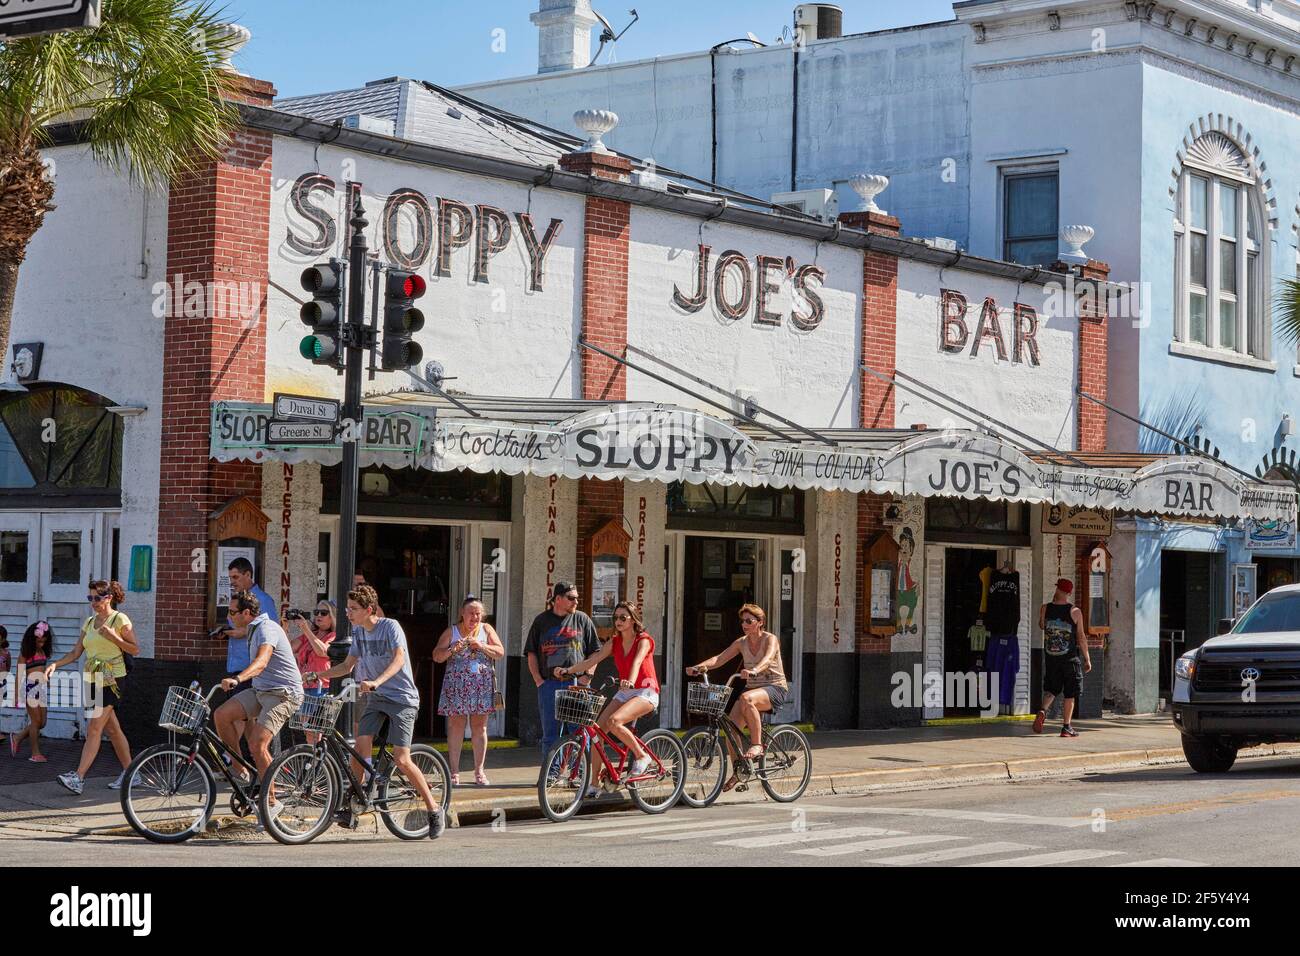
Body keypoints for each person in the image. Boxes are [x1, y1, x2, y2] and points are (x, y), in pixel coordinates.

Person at [305, 585, 442, 839]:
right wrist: (319, 674)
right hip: (376, 699)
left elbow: (399, 659)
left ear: (369, 609)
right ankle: (356, 802)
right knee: (360, 747)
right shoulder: (358, 632)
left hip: (402, 699)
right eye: (347, 609)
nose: (348, 613)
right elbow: (347, 665)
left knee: (402, 759)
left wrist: (377, 681)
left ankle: (434, 809)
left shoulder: (390, 627)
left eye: (353, 609)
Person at [558, 601, 659, 797]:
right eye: (616, 618)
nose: (619, 621)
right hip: (626, 691)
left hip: (645, 691)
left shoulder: (643, 640)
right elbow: (591, 661)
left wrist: (629, 681)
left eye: (623, 617)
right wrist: (568, 670)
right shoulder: (615, 642)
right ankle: (594, 783)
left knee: (614, 722)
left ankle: (641, 756)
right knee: (597, 732)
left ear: (633, 619)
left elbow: (637, 662)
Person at [686, 602, 788, 792]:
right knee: (731, 728)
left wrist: (755, 669)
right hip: (752, 690)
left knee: (746, 699)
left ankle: (757, 745)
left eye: (749, 621)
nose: (745, 625)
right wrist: (699, 667)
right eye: (743, 621)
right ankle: (740, 771)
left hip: (774, 688)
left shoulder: (770, 639)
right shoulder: (742, 642)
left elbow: (767, 658)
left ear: (760, 622)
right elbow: (720, 658)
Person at [48, 581, 138, 794]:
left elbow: (135, 649)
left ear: (108, 598)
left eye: (97, 598)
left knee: (94, 728)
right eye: (90, 598)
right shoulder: (89, 623)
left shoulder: (119, 619)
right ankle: (132, 773)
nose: (93, 603)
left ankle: (78, 777)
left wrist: (114, 637)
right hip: (93, 679)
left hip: (112, 679)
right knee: (112, 730)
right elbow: (75, 653)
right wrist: (54, 665)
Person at [213, 590, 304, 786]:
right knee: (222, 715)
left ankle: (270, 803)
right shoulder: (252, 629)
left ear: (246, 613)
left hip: (283, 694)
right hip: (261, 690)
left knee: (257, 744)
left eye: (232, 612)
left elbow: (262, 661)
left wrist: (238, 678)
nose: (229, 617)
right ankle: (239, 770)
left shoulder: (266, 628)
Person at [433, 596, 504, 786]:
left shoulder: (487, 630)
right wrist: (451, 650)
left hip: (481, 685)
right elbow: (437, 656)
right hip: (457, 687)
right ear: (462, 614)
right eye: (471, 613)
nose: (474, 617)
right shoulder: (452, 631)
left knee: (480, 728)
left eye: (478, 614)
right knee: (456, 727)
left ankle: (479, 771)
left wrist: (482, 645)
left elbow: (500, 652)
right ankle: (454, 772)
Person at [525, 581, 599, 759]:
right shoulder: (541, 621)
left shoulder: (582, 619)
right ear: (558, 599)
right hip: (549, 683)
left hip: (577, 683)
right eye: (571, 598)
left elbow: (596, 652)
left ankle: (579, 774)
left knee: (579, 732)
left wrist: (587, 676)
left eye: (577, 599)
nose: (576, 602)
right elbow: (531, 653)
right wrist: (538, 680)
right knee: (550, 734)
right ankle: (551, 775)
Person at [219, 557, 280, 745]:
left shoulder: (262, 600)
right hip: (236, 664)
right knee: (246, 718)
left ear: (248, 575)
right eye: (230, 578)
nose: (232, 582)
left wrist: (240, 632)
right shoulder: (237, 601)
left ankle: (230, 760)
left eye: (236, 577)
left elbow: (271, 630)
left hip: (251, 668)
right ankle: (249, 762)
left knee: (236, 715)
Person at [1033, 578, 1091, 738]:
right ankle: (1066, 727)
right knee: (1070, 694)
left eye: (1057, 589)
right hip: (1070, 659)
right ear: (1070, 593)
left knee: (1051, 689)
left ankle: (1043, 710)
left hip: (1051, 658)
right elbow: (1081, 637)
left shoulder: (1045, 608)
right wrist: (1087, 658)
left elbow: (1041, 625)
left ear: (1058, 589)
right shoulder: (1075, 611)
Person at [292, 599, 337, 744]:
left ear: (332, 616)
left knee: (314, 730)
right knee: (307, 730)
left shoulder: (334, 635)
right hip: (304, 686)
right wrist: (284, 627)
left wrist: (306, 629)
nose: (318, 616)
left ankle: (315, 762)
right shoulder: (310, 634)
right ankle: (313, 760)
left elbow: (323, 651)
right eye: (316, 612)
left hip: (320, 687)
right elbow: (290, 648)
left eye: (323, 613)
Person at [11, 621, 51, 761]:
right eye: (38, 641)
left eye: (43, 642)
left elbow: (42, 670)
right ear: (31, 639)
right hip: (29, 688)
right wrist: (16, 695)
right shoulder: (25, 653)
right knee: (35, 721)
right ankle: (35, 753)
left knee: (42, 722)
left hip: (42, 688)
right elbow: (19, 674)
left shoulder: (42, 651)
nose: (41, 644)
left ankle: (17, 737)